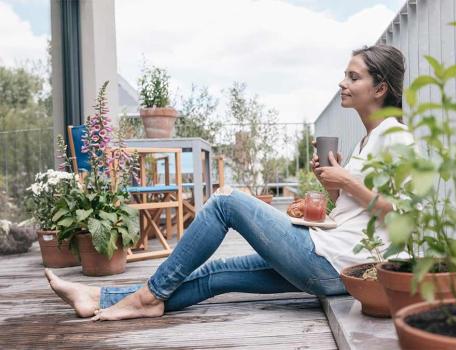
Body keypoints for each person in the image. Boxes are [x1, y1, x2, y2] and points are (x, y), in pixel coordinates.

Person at [45, 44, 415, 321]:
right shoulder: (370, 140)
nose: (342, 82)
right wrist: (333, 184)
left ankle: (147, 296)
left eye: (353, 77)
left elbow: (404, 216)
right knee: (215, 275)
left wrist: (347, 181)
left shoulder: (396, 137)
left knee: (226, 203)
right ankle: (100, 298)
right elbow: (357, 211)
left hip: (332, 263)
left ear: (380, 88)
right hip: (332, 263)